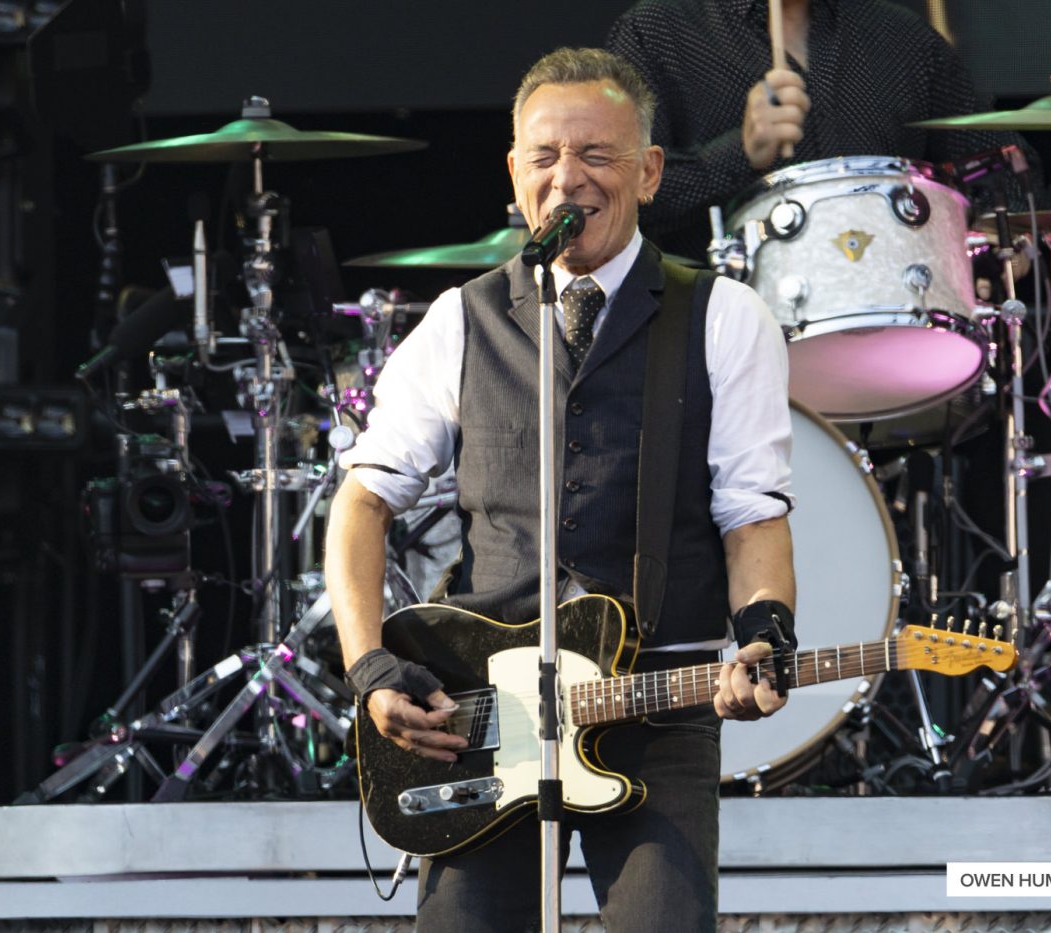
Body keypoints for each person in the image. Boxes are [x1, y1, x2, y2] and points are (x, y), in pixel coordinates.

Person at [324, 47, 795, 932]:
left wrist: (765, 629)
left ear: (650, 171)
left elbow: (752, 511)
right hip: (480, 715)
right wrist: (371, 670)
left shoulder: (723, 316)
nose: (566, 179)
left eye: (597, 156)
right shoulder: (459, 321)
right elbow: (363, 501)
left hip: (658, 699)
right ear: (513, 172)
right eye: (543, 158)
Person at [607, 0, 1038, 259]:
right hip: (722, 341)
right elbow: (625, 203)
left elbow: (1006, 169)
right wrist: (742, 151)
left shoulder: (902, 40)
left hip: (897, 335)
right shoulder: (656, 33)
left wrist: (1000, 236)